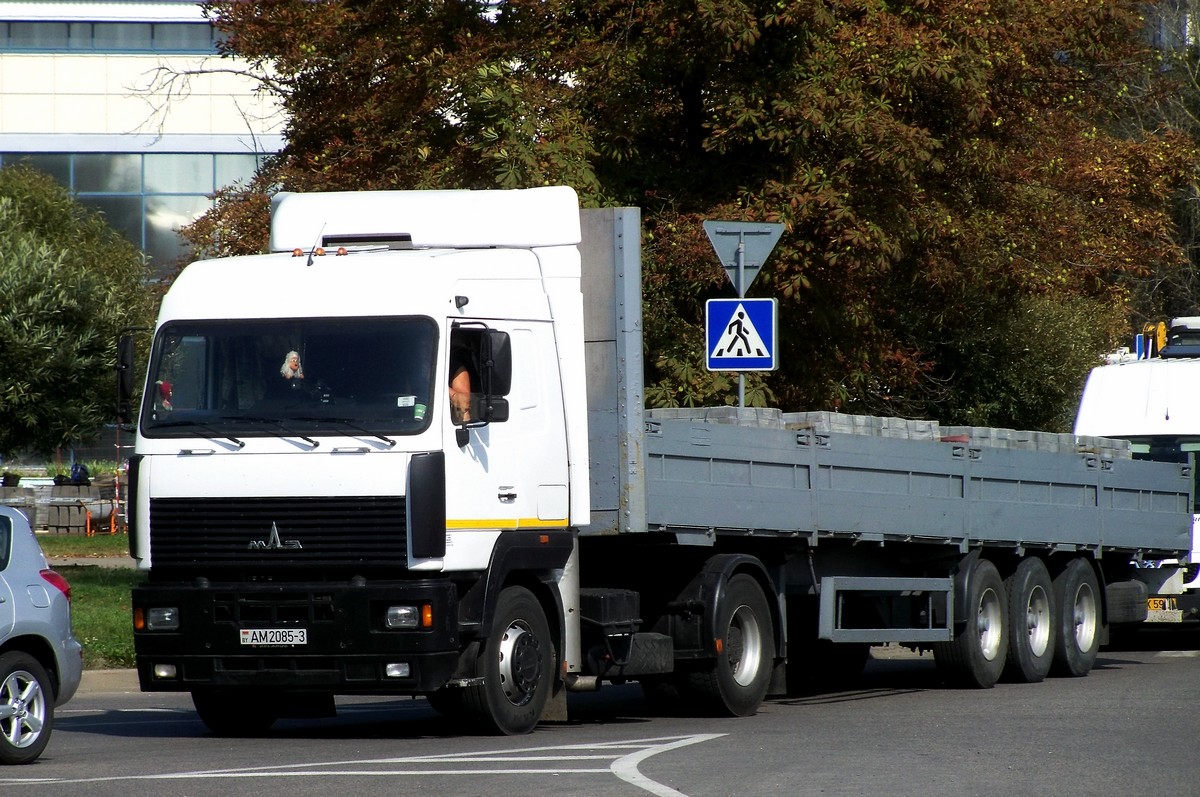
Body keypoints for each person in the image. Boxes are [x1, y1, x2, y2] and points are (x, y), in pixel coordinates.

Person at [448, 347, 472, 423]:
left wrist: (438, 385)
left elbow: (463, 404)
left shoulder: (455, 369)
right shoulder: (414, 366)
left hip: (454, 426)